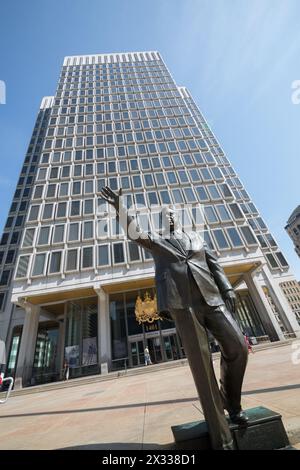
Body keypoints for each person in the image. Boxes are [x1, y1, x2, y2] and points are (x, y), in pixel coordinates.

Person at [100, 187, 249, 450]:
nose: (169, 217)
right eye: (164, 215)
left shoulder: (196, 237)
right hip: (183, 306)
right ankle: (223, 441)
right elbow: (136, 234)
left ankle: (232, 404)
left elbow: (214, 264)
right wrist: (119, 208)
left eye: (172, 214)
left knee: (238, 347)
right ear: (160, 221)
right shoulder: (157, 241)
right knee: (203, 372)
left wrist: (226, 288)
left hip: (212, 299)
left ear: (179, 217)